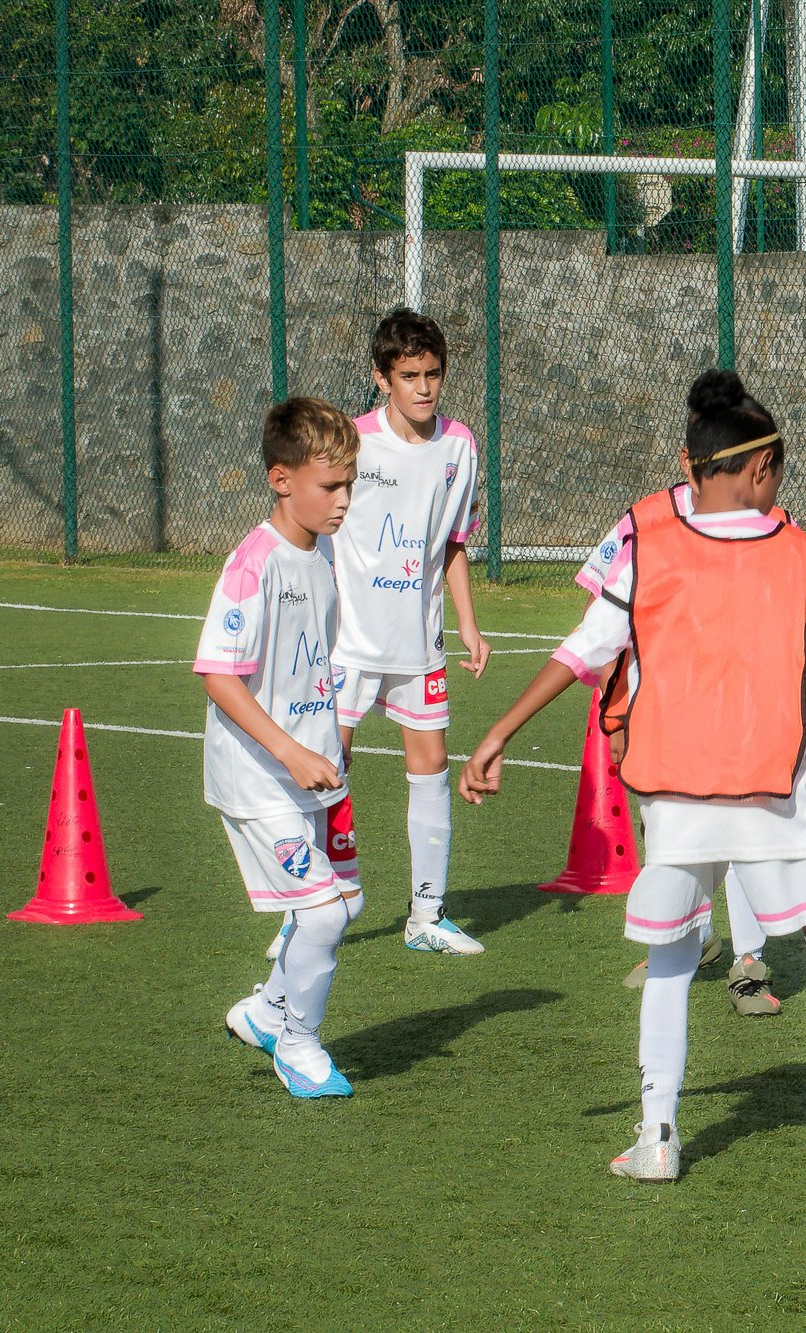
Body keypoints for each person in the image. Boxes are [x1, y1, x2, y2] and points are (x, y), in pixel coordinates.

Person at [461, 370, 806, 1188]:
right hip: (774, 788)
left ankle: (657, 1132)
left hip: (674, 793)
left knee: (669, 959)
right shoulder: (801, 554)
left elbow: (582, 651)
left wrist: (499, 732)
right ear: (761, 473)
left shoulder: (646, 541)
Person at [578, 482, 806, 1016]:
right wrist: (618, 712)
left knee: (747, 832)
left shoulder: (776, 524)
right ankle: (689, 936)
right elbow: (606, 617)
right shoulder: (643, 521)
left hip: (751, 719)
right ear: (688, 459)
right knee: (677, 842)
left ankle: (748, 963)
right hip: (665, 721)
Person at [205, 398, 365, 1099]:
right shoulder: (253, 565)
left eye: (350, 484)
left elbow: (315, 660)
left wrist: (334, 731)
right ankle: (297, 1044)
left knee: (349, 903)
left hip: (313, 769)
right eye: (330, 486)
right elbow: (219, 673)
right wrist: (292, 752)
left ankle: (265, 1011)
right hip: (259, 777)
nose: (343, 500)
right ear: (281, 478)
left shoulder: (323, 550)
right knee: (324, 913)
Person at [321, 308, 489, 956]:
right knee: (327, 768)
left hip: (418, 643)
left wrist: (470, 624)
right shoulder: (351, 444)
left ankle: (426, 915)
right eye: (410, 375)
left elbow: (452, 542)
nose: (424, 387)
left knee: (431, 766)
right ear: (381, 377)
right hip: (348, 643)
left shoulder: (459, 447)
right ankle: (307, 913)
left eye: (433, 374)